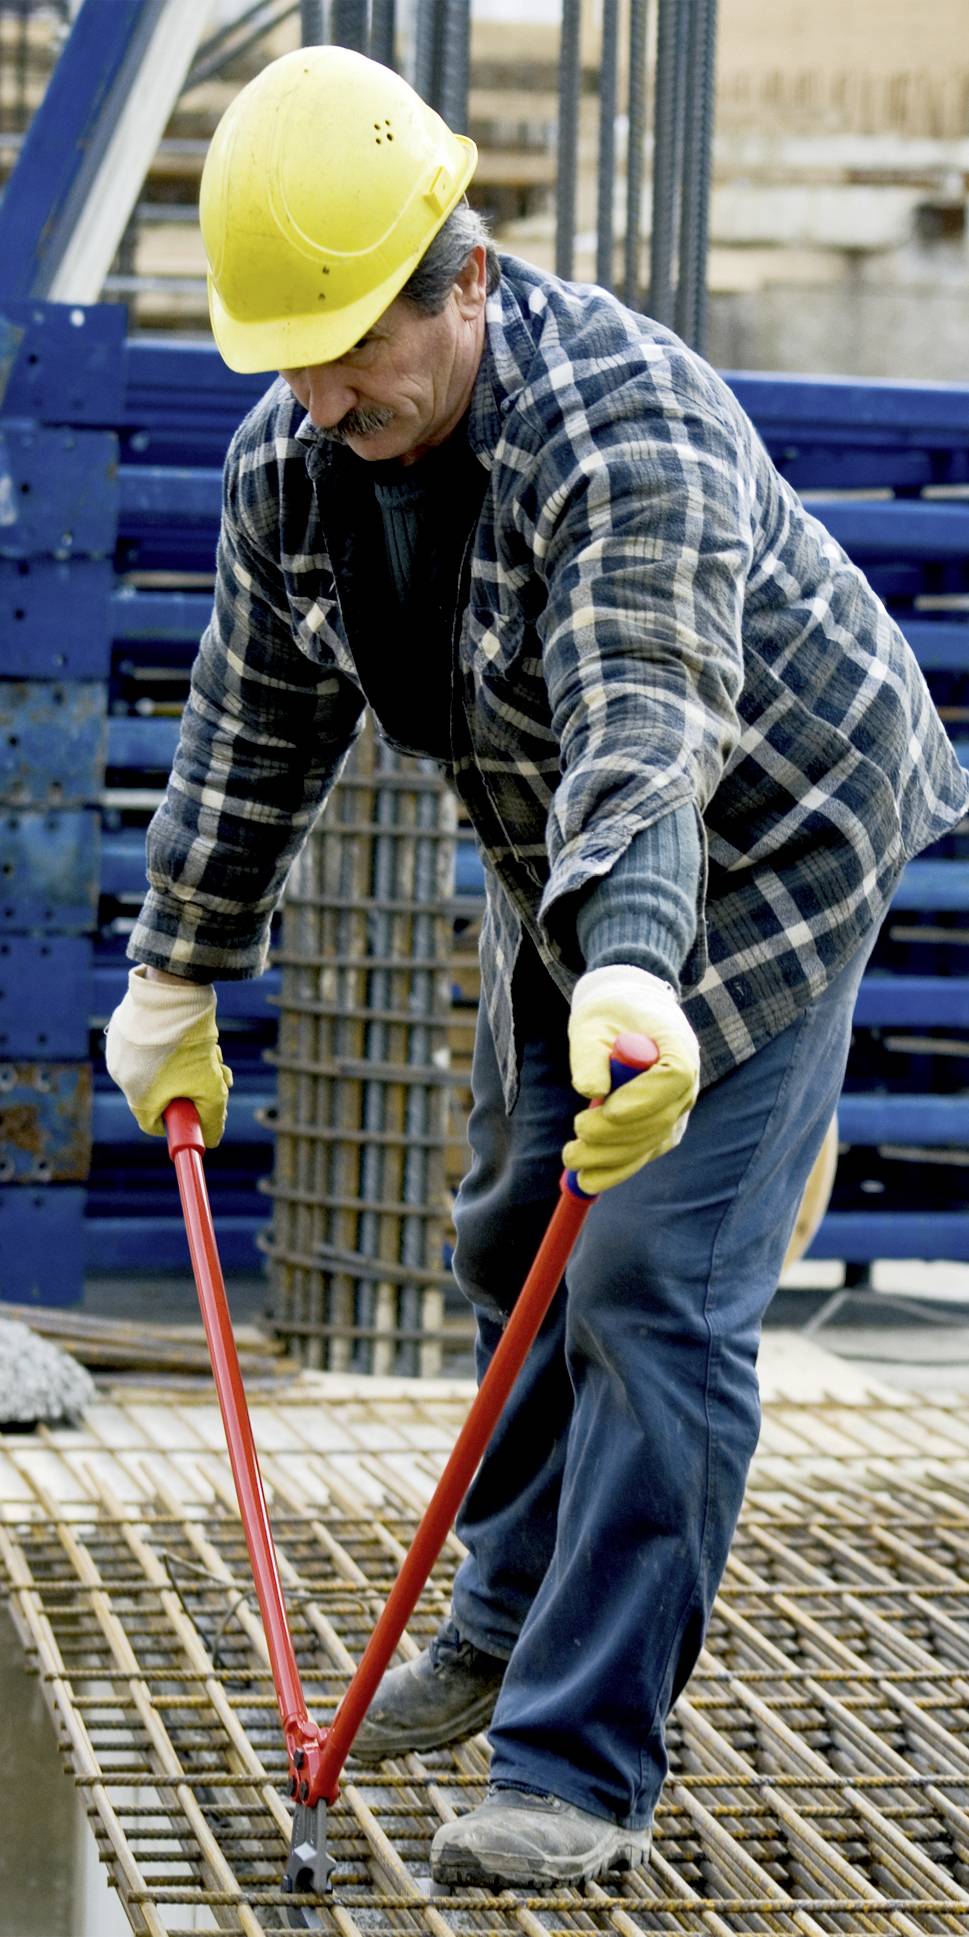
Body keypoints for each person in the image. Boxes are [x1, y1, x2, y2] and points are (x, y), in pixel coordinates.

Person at [106, 45, 969, 1892]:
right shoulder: (302, 454)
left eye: (358, 346)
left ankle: (578, 1754)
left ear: (469, 279)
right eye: (296, 357)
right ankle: (501, 1609)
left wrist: (634, 973)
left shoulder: (624, 424)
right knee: (513, 1233)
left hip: (768, 844)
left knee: (652, 1280)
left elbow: (645, 720)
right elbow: (250, 734)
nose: (328, 391)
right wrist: (173, 971)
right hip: (565, 856)